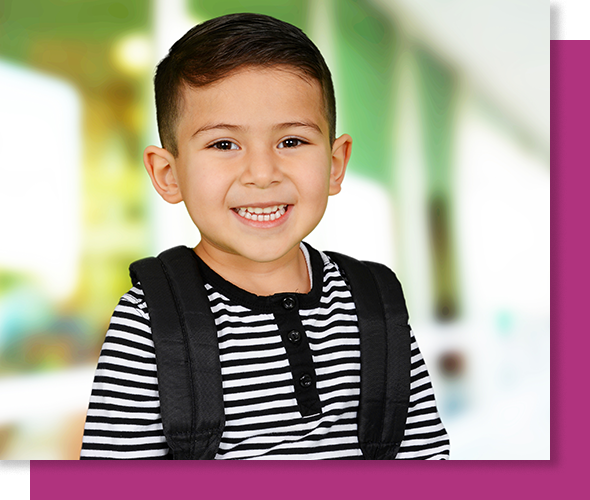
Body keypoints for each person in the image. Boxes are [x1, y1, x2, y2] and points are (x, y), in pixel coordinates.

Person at [80, 13, 449, 460]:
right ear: (168, 173)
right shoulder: (151, 320)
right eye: (223, 144)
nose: (262, 174)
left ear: (335, 164)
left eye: (291, 142)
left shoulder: (373, 301)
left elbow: (425, 462)